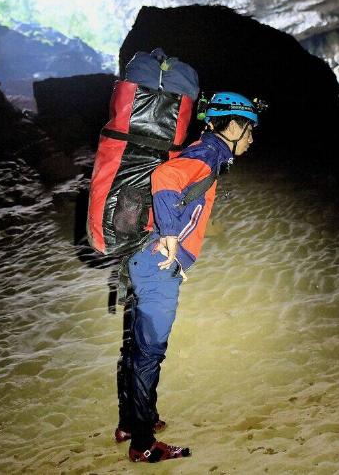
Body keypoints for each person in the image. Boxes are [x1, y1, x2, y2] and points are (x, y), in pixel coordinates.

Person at [114, 91, 261, 463]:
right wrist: (170, 238)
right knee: (149, 354)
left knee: (136, 348)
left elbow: (182, 193)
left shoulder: (203, 148)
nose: (252, 138)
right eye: (249, 129)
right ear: (233, 125)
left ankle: (132, 422)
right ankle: (143, 444)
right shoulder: (209, 153)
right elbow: (166, 176)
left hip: (142, 259)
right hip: (156, 266)